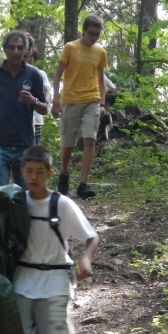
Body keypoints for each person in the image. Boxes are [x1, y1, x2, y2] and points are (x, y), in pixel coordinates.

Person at [13, 145, 100, 334]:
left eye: (40, 172)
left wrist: (85, 258)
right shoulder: (15, 202)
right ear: (21, 171)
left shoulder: (61, 204)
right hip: (22, 281)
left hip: (55, 281)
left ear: (50, 173)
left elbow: (91, 236)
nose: (33, 177)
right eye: (29, 171)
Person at [51, 15, 108, 199]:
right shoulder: (71, 47)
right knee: (67, 144)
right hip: (71, 100)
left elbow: (100, 79)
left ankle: (83, 184)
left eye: (97, 34)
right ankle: (64, 172)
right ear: (83, 30)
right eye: (91, 33)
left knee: (89, 139)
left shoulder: (100, 52)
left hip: (92, 99)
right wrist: (56, 100)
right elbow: (57, 74)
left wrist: (102, 103)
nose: (93, 37)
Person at [0, 31, 47, 191]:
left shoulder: (34, 74)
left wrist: (34, 101)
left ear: (26, 50)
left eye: (20, 48)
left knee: (26, 197)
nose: (15, 52)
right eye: (11, 47)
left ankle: (23, 218)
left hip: (24, 143)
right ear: (4, 49)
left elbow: (45, 109)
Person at [23, 37, 52, 145]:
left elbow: (47, 89)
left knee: (34, 146)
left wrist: (46, 102)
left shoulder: (39, 73)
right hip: (21, 118)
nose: (29, 59)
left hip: (36, 115)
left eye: (31, 57)